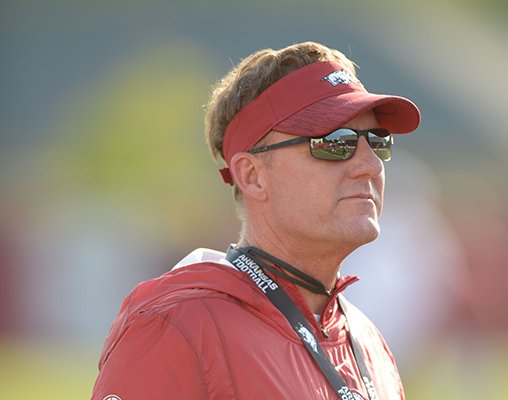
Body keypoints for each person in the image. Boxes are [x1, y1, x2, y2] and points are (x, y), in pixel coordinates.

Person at [91, 41, 420, 400]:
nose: (371, 165)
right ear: (251, 176)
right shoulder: (180, 326)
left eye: (377, 141)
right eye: (333, 142)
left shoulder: (366, 340)